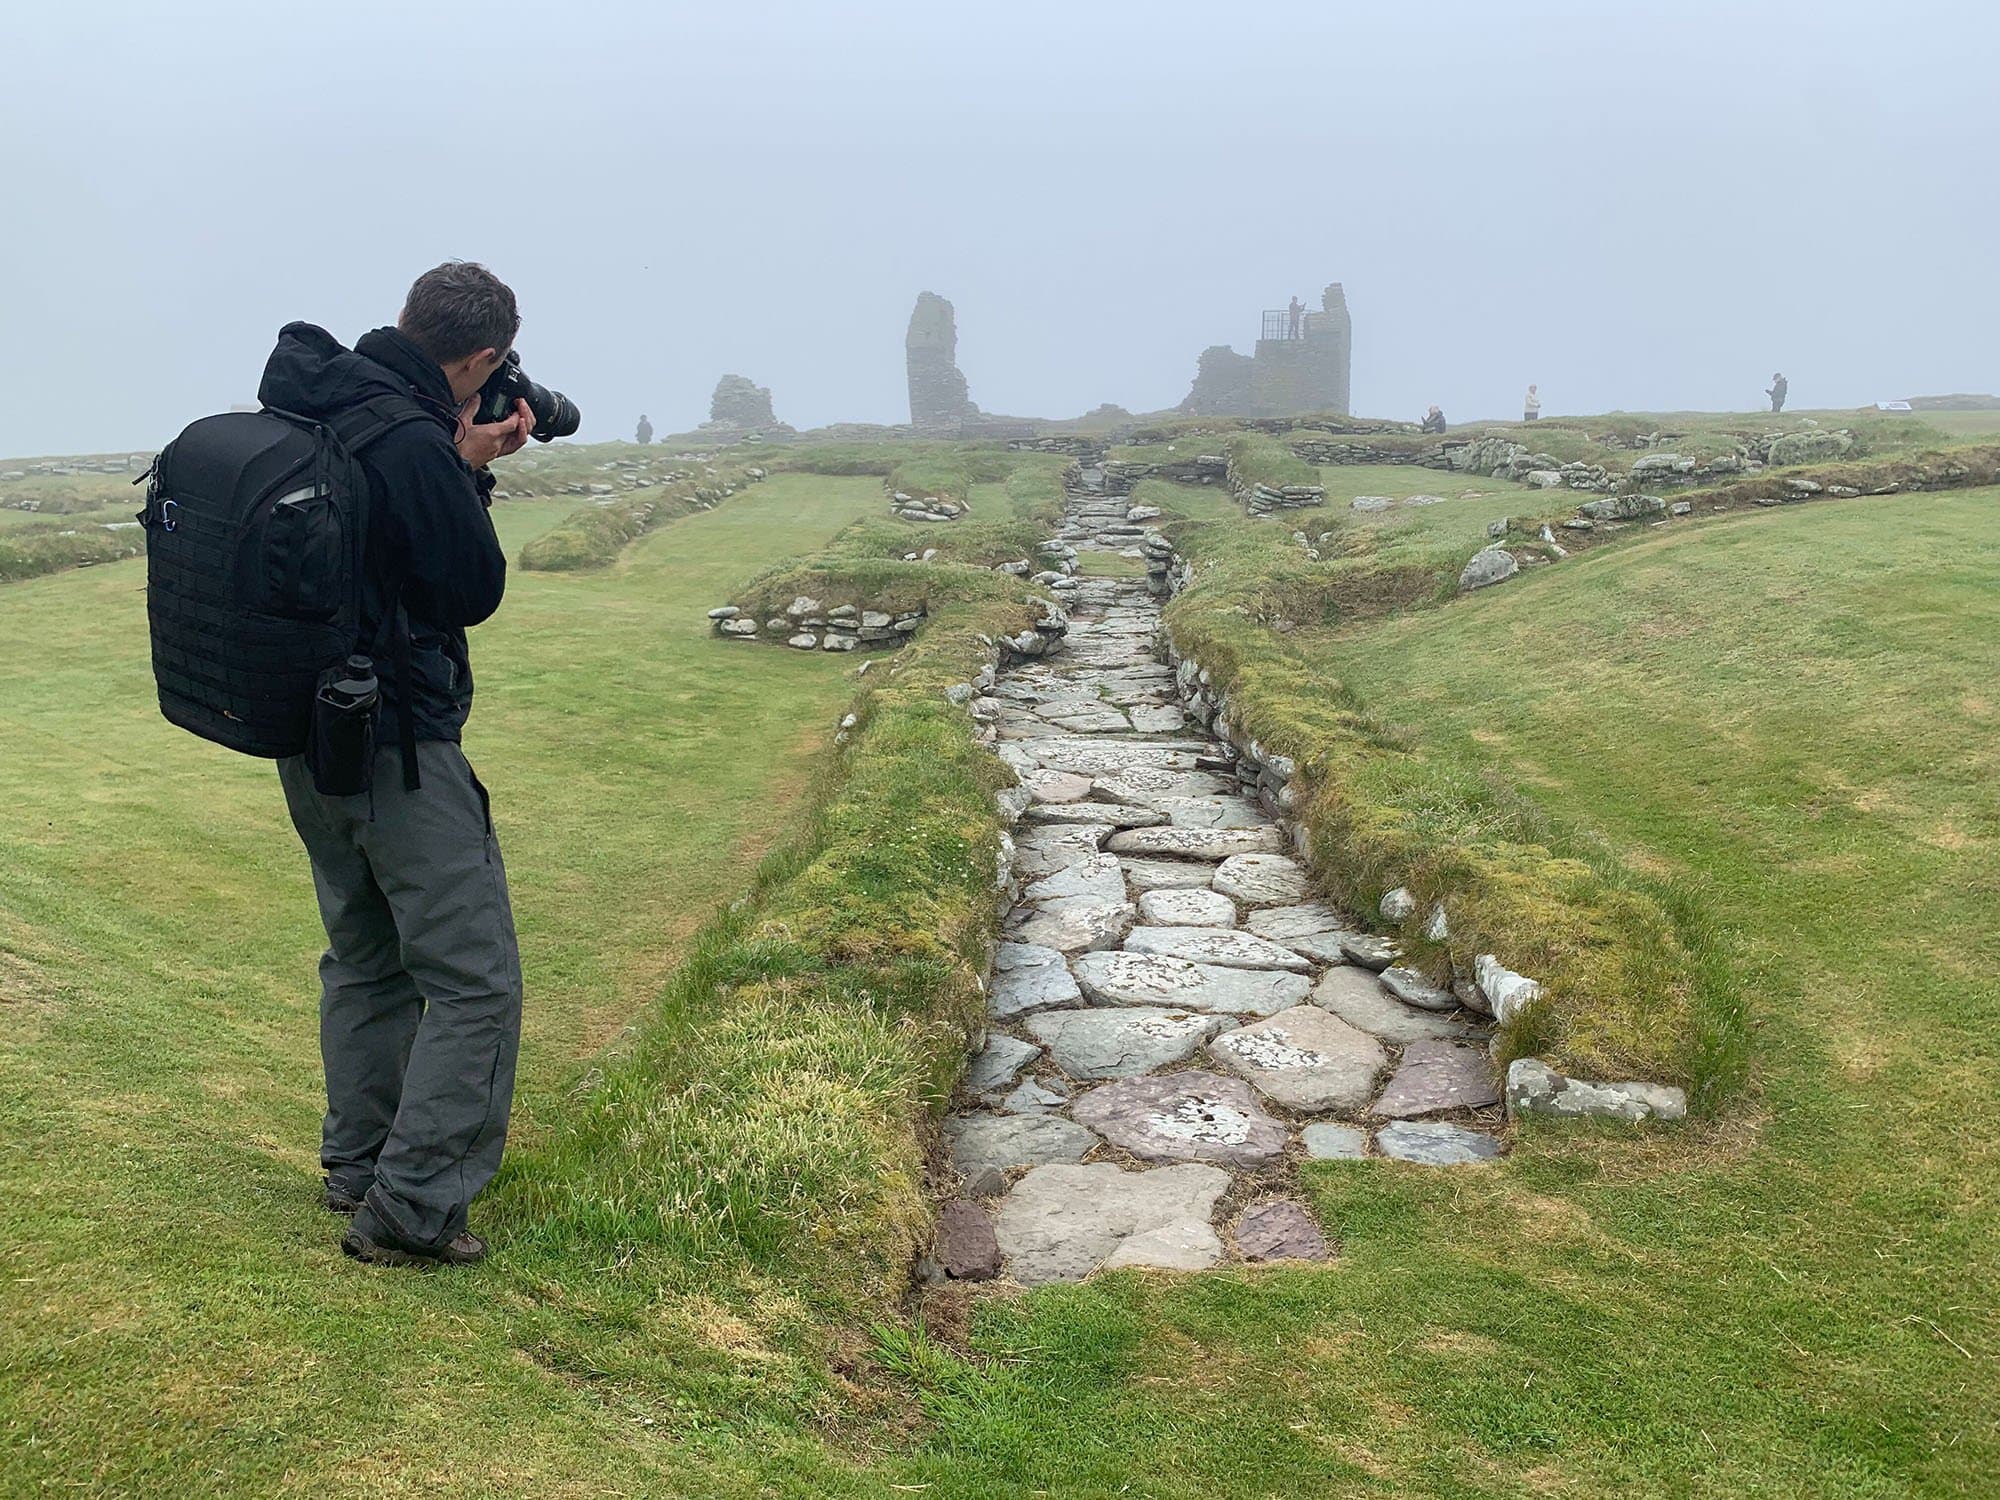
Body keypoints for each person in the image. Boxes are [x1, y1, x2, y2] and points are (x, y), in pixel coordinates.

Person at [256, 261, 530, 1268]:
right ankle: (414, 1208)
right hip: (397, 744)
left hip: (305, 734)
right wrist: (463, 465)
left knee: (365, 955)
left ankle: (358, 1161)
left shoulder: (318, 392)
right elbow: (468, 586)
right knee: (473, 982)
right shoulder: (410, 434)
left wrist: (452, 455)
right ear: (482, 357)